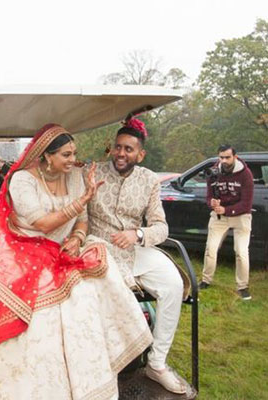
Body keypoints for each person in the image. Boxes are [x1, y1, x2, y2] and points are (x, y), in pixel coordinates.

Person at [0, 123, 153, 399]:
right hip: (28, 249)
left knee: (89, 294)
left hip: (65, 249)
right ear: (46, 156)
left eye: (73, 153)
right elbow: (42, 224)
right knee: (42, 313)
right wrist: (83, 200)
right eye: (66, 155)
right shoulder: (22, 180)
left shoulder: (75, 174)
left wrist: (77, 239)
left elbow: (83, 220)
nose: (72, 159)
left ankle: (93, 378)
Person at [86, 118, 187, 394]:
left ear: (140, 154)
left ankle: (156, 363)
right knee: (111, 293)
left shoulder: (149, 180)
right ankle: (104, 368)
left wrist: (137, 235)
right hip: (99, 249)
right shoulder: (92, 173)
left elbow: (161, 227)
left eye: (129, 149)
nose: (121, 153)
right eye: (118, 147)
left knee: (173, 285)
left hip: (134, 249)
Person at [199, 144, 254, 300]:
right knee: (210, 248)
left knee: (241, 252)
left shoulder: (245, 174)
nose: (224, 160)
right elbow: (209, 196)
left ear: (235, 157)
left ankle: (243, 287)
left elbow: (247, 204)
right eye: (221, 157)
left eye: (227, 157)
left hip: (241, 215)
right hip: (219, 217)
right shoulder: (214, 172)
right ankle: (206, 280)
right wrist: (213, 204)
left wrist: (227, 210)